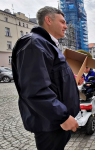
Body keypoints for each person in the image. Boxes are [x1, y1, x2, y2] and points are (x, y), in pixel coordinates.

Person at [11, 6, 80, 150]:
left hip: (55, 123)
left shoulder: (46, 44)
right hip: (50, 123)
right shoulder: (33, 43)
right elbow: (35, 90)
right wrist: (62, 117)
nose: (66, 26)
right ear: (48, 20)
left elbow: (52, 78)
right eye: (62, 22)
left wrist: (71, 80)